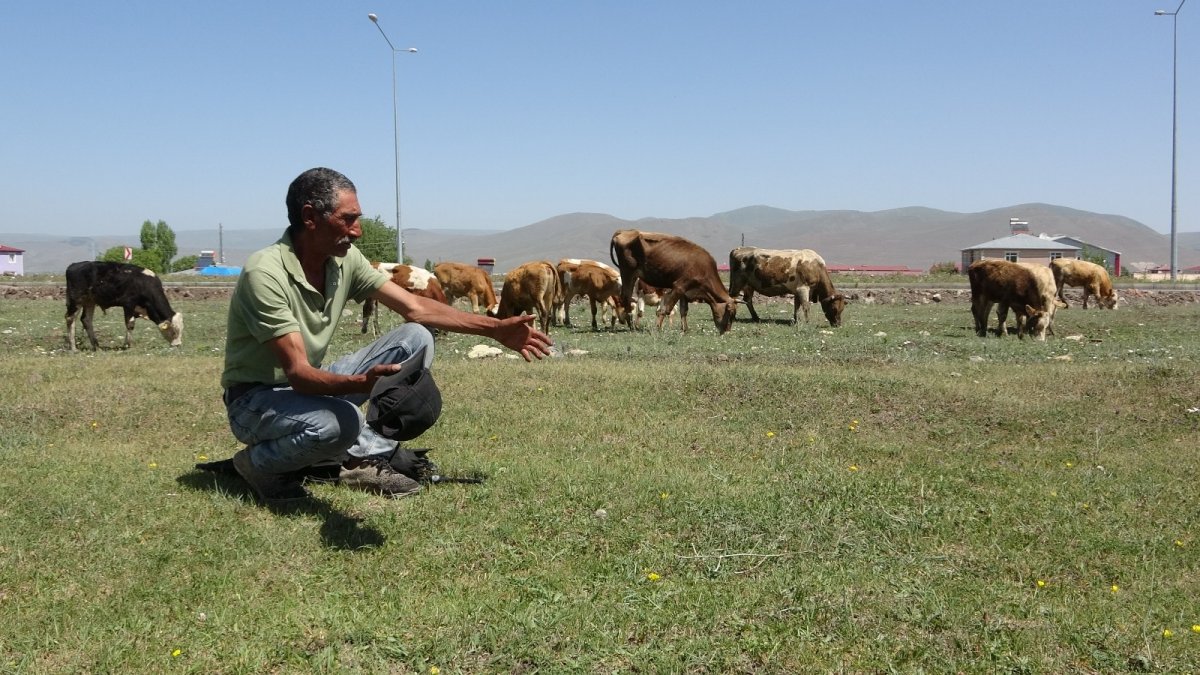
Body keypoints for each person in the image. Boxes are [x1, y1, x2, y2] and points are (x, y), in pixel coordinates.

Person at [220, 167, 553, 503]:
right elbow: (300, 375)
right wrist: (363, 383)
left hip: (308, 389)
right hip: (258, 400)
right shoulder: (265, 273)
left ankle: (360, 458)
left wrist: (495, 329)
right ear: (310, 217)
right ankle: (257, 464)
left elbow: (416, 308)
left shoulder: (344, 261)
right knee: (342, 422)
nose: (358, 231)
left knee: (416, 337)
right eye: (348, 219)